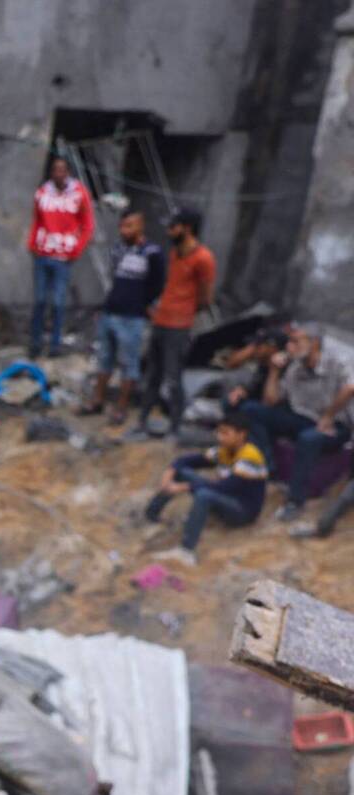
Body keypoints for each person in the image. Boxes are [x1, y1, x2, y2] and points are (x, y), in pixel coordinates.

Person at [242, 324, 354, 521]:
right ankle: (268, 469)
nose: (289, 347)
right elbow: (270, 401)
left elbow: (350, 387)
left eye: (295, 341)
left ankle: (295, 502)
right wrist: (274, 371)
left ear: (314, 343)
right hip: (306, 419)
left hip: (337, 424)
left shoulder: (338, 361)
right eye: (289, 342)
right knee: (251, 410)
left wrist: (329, 416)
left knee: (308, 438)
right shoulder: (294, 368)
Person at [143, 411, 267, 567]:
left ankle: (186, 551)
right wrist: (170, 472)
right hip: (225, 498)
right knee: (182, 473)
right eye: (219, 432)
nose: (220, 437)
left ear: (241, 434)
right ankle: (151, 515)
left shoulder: (250, 456)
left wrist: (183, 487)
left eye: (226, 433)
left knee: (204, 494)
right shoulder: (224, 450)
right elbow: (189, 460)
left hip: (242, 510)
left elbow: (225, 487)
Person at [136, 207, 217, 437]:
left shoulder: (203, 258)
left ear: (187, 228)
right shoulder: (174, 253)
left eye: (173, 227)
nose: (169, 231)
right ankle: (142, 421)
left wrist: (185, 312)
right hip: (161, 321)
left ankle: (175, 427)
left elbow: (205, 297)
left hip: (179, 327)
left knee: (173, 378)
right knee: (153, 375)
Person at [82, 211, 167, 422]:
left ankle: (121, 407)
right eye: (122, 226)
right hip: (111, 311)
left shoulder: (152, 253)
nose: (123, 231)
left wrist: (144, 304)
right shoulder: (118, 249)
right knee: (105, 359)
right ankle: (97, 400)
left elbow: (158, 284)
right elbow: (115, 278)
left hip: (132, 317)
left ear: (140, 226)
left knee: (129, 363)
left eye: (129, 226)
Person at [27, 156, 95, 359]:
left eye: (62, 170)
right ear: (51, 173)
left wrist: (75, 250)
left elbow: (87, 225)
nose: (59, 174)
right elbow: (37, 221)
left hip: (64, 257)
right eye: (55, 170)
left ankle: (55, 345)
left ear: (68, 173)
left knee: (58, 303)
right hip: (42, 254)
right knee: (40, 300)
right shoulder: (42, 193)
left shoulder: (79, 194)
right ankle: (35, 343)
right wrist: (32, 244)